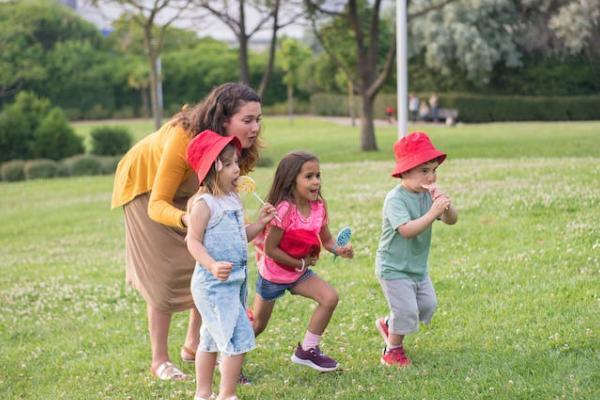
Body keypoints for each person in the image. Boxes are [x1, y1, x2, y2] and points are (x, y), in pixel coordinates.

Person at [111, 83, 263, 380]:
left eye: (258, 119)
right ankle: (160, 360)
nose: (255, 127)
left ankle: (194, 345)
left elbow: (227, 194)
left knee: (209, 261)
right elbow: (158, 204)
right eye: (247, 120)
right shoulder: (184, 138)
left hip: (194, 190)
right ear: (222, 119)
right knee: (164, 274)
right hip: (146, 188)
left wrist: (244, 226)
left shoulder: (234, 147)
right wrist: (189, 221)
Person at [185, 130, 276, 400]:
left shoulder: (232, 199)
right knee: (237, 337)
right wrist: (211, 265)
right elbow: (193, 241)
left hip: (234, 282)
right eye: (231, 164)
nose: (238, 169)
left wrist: (260, 223)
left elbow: (240, 237)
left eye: (237, 162)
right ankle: (226, 395)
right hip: (213, 285)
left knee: (211, 339)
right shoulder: (204, 204)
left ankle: (203, 394)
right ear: (215, 166)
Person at [250, 151, 354, 372]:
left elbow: (326, 240)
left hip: (298, 272)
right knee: (258, 324)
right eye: (308, 176)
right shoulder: (284, 210)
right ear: (291, 180)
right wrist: (301, 264)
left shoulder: (319, 207)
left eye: (318, 175)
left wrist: (340, 249)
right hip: (274, 275)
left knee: (330, 298)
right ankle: (228, 357)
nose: (316, 181)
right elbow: (270, 249)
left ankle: (307, 350)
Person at [374, 132, 458, 367]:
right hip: (393, 267)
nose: (431, 176)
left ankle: (389, 324)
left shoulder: (427, 195)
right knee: (407, 311)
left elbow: (452, 220)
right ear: (404, 172)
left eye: (433, 170)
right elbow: (407, 230)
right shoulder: (395, 200)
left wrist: (446, 207)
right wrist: (432, 213)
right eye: (424, 171)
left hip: (417, 267)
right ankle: (392, 351)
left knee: (427, 305)